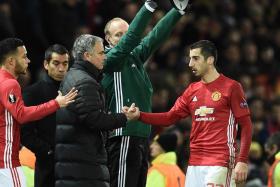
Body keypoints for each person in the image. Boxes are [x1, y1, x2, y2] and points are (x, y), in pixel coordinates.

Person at [123, 40, 253, 187]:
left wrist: (242, 160)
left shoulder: (231, 87)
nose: (190, 64)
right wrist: (140, 116)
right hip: (194, 163)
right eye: (190, 58)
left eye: (195, 58)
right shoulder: (192, 90)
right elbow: (169, 117)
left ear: (210, 60)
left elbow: (246, 125)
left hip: (220, 161)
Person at [101, 1, 187, 186]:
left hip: (140, 134)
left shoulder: (135, 57)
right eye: (118, 35)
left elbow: (154, 37)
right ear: (107, 39)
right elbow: (132, 38)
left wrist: (177, 11)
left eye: (126, 33)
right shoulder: (108, 60)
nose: (125, 38)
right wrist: (149, 6)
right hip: (122, 134)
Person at [55, 34, 134, 187]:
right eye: (101, 53)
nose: (105, 56)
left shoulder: (72, 76)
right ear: (87, 55)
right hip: (84, 164)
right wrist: (124, 117)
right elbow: (94, 119)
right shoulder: (85, 82)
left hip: (73, 161)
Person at [0, 37, 77, 187]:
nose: (28, 61)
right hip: (7, 161)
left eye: (65, 63)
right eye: (24, 57)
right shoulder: (10, 84)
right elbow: (21, 116)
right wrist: (55, 103)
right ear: (11, 61)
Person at [20, 44, 70, 187]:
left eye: (65, 63)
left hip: (74, 165)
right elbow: (25, 132)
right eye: (56, 63)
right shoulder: (33, 93)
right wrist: (47, 151)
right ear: (46, 64)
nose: (61, 68)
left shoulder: (74, 90)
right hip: (47, 168)